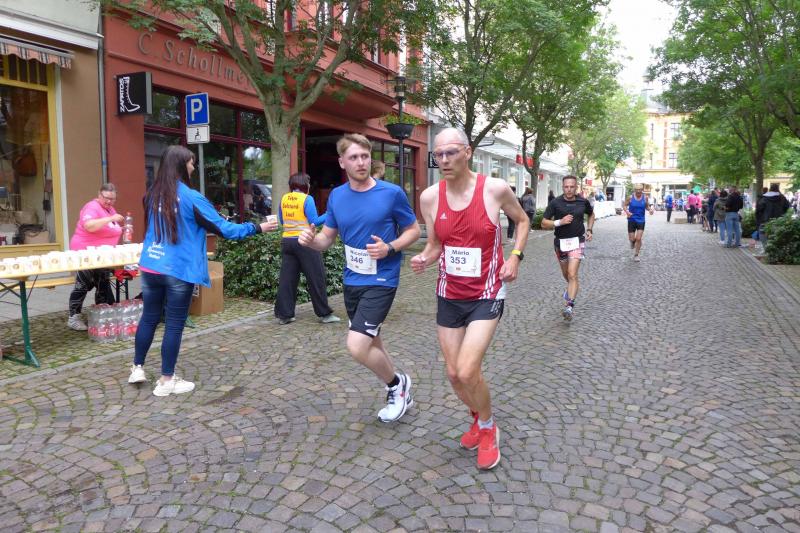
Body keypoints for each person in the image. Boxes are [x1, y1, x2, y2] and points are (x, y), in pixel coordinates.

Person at [410, 128, 529, 470]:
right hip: (449, 293)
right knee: (453, 374)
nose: (444, 160)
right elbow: (435, 245)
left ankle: (488, 428)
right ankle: (477, 417)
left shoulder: (495, 189)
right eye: (438, 155)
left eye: (450, 152)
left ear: (468, 152)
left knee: (467, 369)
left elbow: (522, 221)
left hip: (486, 292)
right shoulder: (429, 197)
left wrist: (515, 257)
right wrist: (424, 258)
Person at [127, 145, 278, 396]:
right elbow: (225, 229)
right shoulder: (191, 197)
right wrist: (258, 228)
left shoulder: (151, 194)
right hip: (178, 269)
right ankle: (166, 380)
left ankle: (137, 368)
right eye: (191, 162)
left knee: (149, 317)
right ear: (180, 165)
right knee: (174, 324)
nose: (193, 167)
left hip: (151, 265)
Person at [298, 133, 420, 423]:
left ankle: (396, 385)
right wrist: (311, 241)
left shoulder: (391, 193)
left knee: (357, 345)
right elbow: (327, 238)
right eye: (354, 157)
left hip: (382, 278)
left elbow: (414, 230)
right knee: (372, 340)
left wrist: (390, 247)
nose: (361, 162)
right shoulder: (337, 196)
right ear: (342, 162)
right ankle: (400, 384)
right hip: (353, 279)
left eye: (365, 156)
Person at [275, 172, 340, 325]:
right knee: (316, 277)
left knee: (287, 279)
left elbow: (282, 221)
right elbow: (314, 221)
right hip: (305, 241)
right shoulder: (306, 199)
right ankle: (324, 314)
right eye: (308, 183)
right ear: (305, 184)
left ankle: (285, 315)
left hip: (287, 241)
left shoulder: (284, 198)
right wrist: (331, 213)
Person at [67, 183, 123, 330]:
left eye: (112, 199)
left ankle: (102, 314)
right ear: (99, 195)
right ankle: (74, 317)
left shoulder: (109, 209)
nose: (109, 201)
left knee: (103, 282)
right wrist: (110, 219)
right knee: (82, 284)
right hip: (85, 253)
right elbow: (89, 226)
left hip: (101, 255)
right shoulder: (91, 207)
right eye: (106, 198)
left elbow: (108, 229)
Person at [541, 175, 595, 320]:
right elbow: (544, 223)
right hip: (560, 243)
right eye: (566, 187)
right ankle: (571, 289)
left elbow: (591, 215)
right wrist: (559, 222)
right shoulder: (555, 203)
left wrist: (589, 229)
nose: (569, 189)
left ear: (576, 187)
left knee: (572, 274)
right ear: (563, 187)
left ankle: (569, 306)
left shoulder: (583, 201)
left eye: (572, 187)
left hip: (577, 241)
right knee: (566, 274)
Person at [623, 184, 654, 262]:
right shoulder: (630, 197)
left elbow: (647, 206)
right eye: (637, 190)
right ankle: (632, 242)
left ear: (642, 190)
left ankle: (636, 255)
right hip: (631, 219)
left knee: (638, 238)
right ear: (635, 190)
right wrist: (627, 212)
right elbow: (625, 205)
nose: (638, 191)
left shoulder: (645, 198)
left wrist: (650, 210)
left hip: (641, 220)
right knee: (632, 238)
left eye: (640, 190)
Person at [756, 182, 791, 249]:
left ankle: (766, 248)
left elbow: (759, 209)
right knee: (777, 235)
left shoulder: (764, 198)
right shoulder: (782, 198)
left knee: (763, 234)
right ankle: (775, 249)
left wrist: (759, 219)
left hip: (765, 220)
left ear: (770, 189)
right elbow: (787, 207)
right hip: (779, 220)